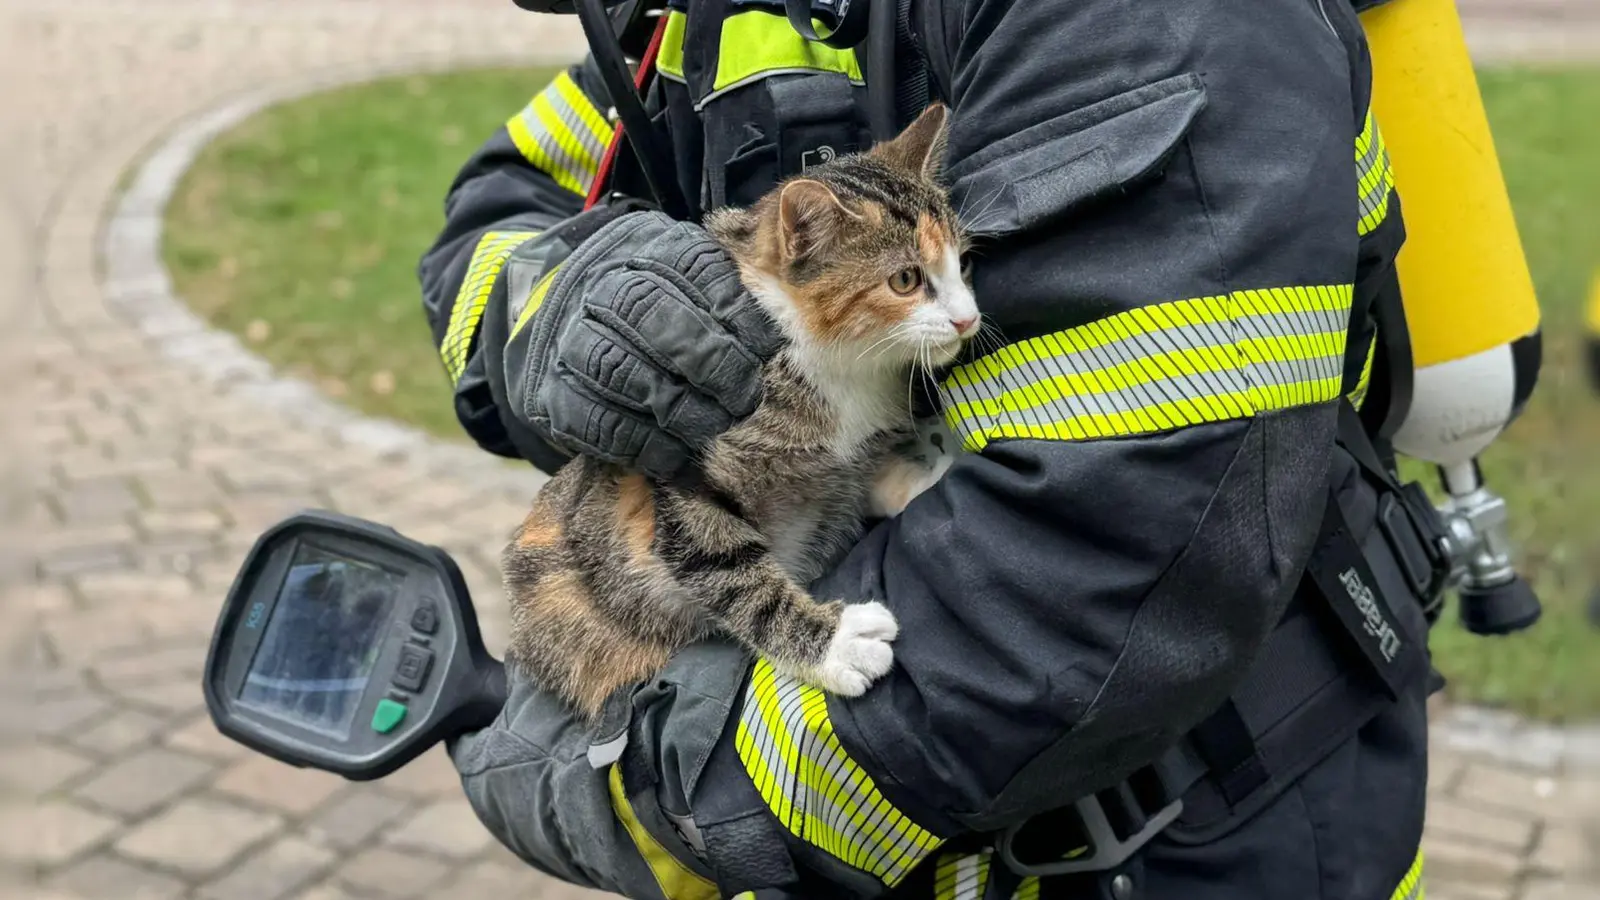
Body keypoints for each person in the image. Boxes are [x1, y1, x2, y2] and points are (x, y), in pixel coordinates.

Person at [419, 0, 1440, 897]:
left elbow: (1114, 547)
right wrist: (560, 305)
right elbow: (500, 209)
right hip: (844, 775)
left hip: (1187, 823)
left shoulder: (1146, 23)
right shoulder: (686, 15)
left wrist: (675, 795)